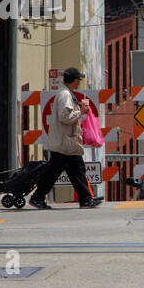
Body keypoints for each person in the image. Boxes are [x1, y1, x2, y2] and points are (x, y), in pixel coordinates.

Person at [29, 68, 102, 209]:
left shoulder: (66, 94)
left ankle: (85, 199)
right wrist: (81, 111)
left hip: (66, 142)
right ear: (74, 80)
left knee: (76, 171)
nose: (79, 83)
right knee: (59, 172)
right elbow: (65, 117)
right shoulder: (64, 95)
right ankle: (38, 198)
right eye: (78, 80)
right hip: (64, 142)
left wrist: (78, 110)